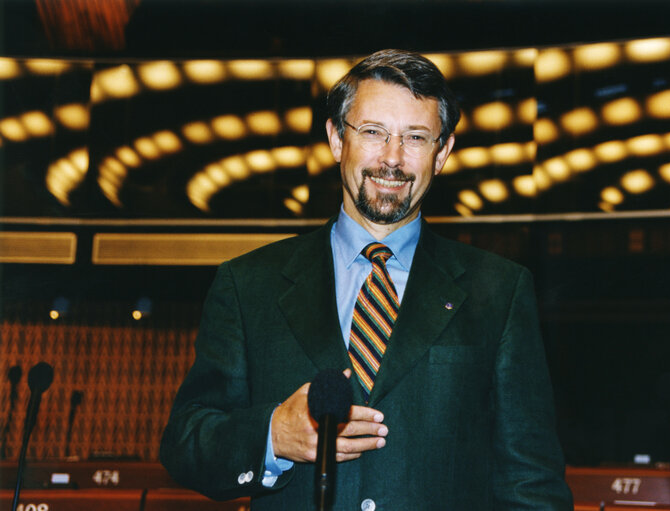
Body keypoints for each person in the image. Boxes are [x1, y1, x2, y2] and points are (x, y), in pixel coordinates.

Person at [160, 49, 573, 510]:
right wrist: (273, 434)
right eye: (374, 132)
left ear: (442, 153)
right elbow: (185, 442)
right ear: (337, 139)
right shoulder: (248, 285)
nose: (392, 159)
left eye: (416, 137)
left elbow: (531, 484)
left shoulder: (500, 291)